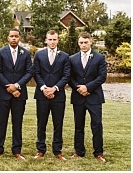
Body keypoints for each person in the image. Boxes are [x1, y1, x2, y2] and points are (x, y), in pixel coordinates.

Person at [0, 28, 32, 160]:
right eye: (11, 36)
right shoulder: (1, 52)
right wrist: (9, 87)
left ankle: (17, 150)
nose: (14, 38)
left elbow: (28, 72)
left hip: (19, 94)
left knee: (17, 122)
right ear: (8, 38)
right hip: (3, 93)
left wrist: (17, 86)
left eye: (16, 36)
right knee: (1, 122)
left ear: (19, 38)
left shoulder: (25, 53)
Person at [68, 32, 107, 162]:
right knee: (78, 125)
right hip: (78, 97)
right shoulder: (72, 58)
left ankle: (99, 152)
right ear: (78, 43)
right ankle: (79, 151)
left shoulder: (99, 57)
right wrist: (79, 88)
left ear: (90, 42)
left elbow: (102, 77)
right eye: (81, 43)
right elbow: (69, 77)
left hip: (94, 97)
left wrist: (88, 87)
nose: (83, 45)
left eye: (86, 42)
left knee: (96, 125)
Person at [32, 30, 70, 160]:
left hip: (58, 96)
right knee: (41, 123)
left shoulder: (65, 56)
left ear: (58, 40)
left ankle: (57, 151)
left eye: (54, 40)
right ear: (46, 40)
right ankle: (40, 150)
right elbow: (36, 73)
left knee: (58, 123)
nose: (52, 42)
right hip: (42, 95)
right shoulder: (39, 54)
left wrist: (54, 89)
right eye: (50, 39)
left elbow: (66, 75)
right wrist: (44, 88)